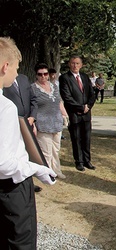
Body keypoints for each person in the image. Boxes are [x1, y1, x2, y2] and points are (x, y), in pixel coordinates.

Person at [0, 36, 56, 249]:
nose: (17, 72)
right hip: (11, 189)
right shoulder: (5, 107)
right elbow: (3, 164)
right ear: (6, 67)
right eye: (16, 66)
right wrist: (35, 168)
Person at [3, 72, 45, 193]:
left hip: (28, 124)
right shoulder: (5, 81)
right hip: (13, 124)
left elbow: (33, 99)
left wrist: (32, 117)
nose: (16, 71)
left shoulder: (23, 78)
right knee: (16, 153)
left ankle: (29, 182)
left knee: (27, 154)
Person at [59, 55, 96, 171]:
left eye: (77, 63)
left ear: (81, 65)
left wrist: (88, 106)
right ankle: (79, 161)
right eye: (73, 63)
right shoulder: (65, 78)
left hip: (86, 114)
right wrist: (81, 107)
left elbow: (92, 94)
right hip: (74, 114)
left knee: (86, 138)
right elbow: (67, 97)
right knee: (76, 138)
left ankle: (87, 160)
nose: (75, 65)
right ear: (69, 64)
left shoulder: (85, 77)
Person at [31, 63, 68, 179]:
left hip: (56, 122)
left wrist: (65, 115)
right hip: (43, 124)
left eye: (45, 74)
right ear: (36, 75)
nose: (43, 76)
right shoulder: (32, 88)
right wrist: (33, 124)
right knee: (46, 152)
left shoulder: (54, 86)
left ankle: (57, 170)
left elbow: (59, 102)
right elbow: (31, 107)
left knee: (55, 150)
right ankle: (47, 173)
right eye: (40, 74)